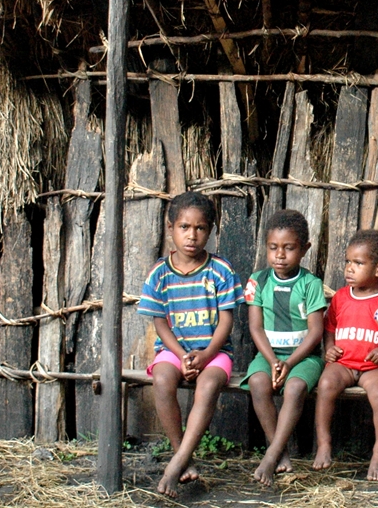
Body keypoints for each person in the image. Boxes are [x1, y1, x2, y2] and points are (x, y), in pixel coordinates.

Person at [137, 191, 245, 498]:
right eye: (184, 227)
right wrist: (182, 355)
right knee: (161, 379)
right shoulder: (160, 273)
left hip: (215, 354)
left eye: (200, 228)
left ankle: (176, 464)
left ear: (210, 231)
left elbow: (227, 321)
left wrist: (207, 353)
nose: (192, 235)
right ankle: (181, 454)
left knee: (209, 385)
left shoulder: (220, 270)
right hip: (173, 352)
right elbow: (160, 322)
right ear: (170, 228)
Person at [312, 229, 378, 481]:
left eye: (358, 263)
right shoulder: (340, 297)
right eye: (348, 261)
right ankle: (324, 444)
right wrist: (329, 347)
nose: (349, 268)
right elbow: (329, 328)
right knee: (325, 385)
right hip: (344, 364)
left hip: (374, 368)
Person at [241, 209, 326, 487]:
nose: (280, 255)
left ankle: (271, 455)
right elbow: (255, 327)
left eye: (289, 248)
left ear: (305, 249)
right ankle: (282, 451)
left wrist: (289, 363)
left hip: (304, 358)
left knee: (294, 388)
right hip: (268, 355)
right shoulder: (258, 281)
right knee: (257, 383)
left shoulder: (310, 284)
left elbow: (316, 331)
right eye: (273, 248)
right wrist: (273, 361)